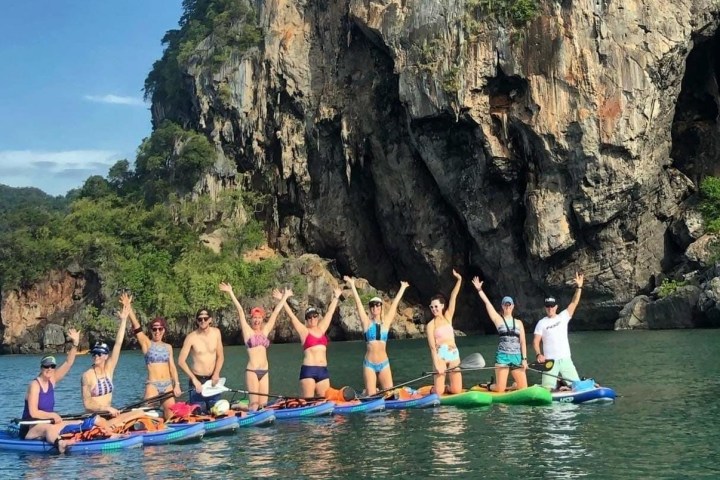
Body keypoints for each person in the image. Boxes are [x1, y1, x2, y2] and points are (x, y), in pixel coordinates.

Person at [219, 282, 293, 410]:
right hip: (252, 371)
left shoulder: (265, 332)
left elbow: (275, 313)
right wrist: (230, 292)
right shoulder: (248, 332)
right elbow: (240, 311)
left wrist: (284, 297)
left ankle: (243, 406)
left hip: (264, 371)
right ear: (251, 319)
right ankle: (238, 406)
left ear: (262, 319)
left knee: (263, 406)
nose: (257, 320)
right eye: (254, 317)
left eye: (259, 317)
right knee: (254, 406)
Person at [81, 294, 148, 426]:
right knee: (105, 422)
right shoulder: (87, 376)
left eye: (99, 354)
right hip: (96, 417)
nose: (96, 357)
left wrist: (124, 320)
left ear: (106, 356)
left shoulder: (109, 368)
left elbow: (118, 344)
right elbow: (87, 403)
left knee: (140, 413)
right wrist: (104, 409)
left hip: (109, 415)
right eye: (94, 354)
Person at [344, 276, 410, 395]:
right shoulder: (366, 323)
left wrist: (402, 288)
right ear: (370, 308)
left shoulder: (386, 323)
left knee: (390, 393)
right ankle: (367, 392)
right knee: (371, 394)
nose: (375, 308)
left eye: (377, 305)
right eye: (372, 306)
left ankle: (377, 392)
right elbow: (358, 303)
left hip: (384, 363)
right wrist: (352, 285)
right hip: (369, 364)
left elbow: (394, 305)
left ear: (381, 307)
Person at [18, 329, 81, 452]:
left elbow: (68, 363)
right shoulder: (34, 385)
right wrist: (52, 415)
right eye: (46, 366)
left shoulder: (52, 381)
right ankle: (60, 444)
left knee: (77, 422)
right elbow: (34, 413)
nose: (49, 369)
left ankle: (84, 438)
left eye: (52, 366)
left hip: (48, 423)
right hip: (30, 429)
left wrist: (75, 344)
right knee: (49, 429)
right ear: (41, 368)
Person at [126, 294, 182, 419]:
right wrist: (129, 309)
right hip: (153, 385)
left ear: (164, 330)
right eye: (154, 329)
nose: (157, 331)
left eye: (160, 329)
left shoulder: (168, 347)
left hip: (167, 385)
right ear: (151, 330)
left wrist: (176, 384)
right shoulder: (147, 343)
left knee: (171, 416)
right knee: (145, 415)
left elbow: (172, 367)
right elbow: (137, 328)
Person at [282, 287, 342, 398]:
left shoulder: (322, 328)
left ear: (318, 317)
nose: (312, 319)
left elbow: (329, 313)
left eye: (315, 316)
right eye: (309, 317)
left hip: (323, 371)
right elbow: (292, 317)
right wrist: (283, 299)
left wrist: (336, 297)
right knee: (308, 400)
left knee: (325, 400)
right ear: (306, 320)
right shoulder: (304, 331)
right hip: (309, 370)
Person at [472, 277, 528, 392]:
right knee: (500, 389)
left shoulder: (519, 323)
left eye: (509, 305)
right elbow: (487, 304)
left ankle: (514, 386)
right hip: (503, 357)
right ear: (502, 306)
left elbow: (523, 342)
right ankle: (488, 386)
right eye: (505, 305)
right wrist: (479, 290)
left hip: (516, 357)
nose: (507, 307)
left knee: (524, 388)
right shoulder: (498, 319)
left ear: (512, 306)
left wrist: (524, 359)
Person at [533, 272, 585, 390]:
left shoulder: (563, 317)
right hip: (550, 362)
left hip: (565, 359)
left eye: (552, 306)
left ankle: (563, 385)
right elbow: (536, 342)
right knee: (547, 389)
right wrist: (538, 354)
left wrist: (579, 287)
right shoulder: (541, 323)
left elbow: (574, 302)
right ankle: (558, 385)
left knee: (577, 386)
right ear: (545, 308)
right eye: (548, 306)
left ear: (556, 307)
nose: (550, 308)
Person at [178, 306, 225, 412]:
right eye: (200, 319)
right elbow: (181, 361)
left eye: (205, 318)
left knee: (216, 410)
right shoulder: (191, 337)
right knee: (199, 411)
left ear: (210, 320)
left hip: (212, 380)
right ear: (197, 321)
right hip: (197, 381)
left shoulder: (216, 333)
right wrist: (194, 379)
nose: (203, 321)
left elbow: (220, 356)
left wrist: (216, 373)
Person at [426, 269, 463, 395]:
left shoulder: (448, 317)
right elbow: (432, 347)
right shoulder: (430, 325)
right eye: (431, 307)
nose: (434, 309)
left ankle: (448, 388)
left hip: (454, 355)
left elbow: (453, 297)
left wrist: (459, 280)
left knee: (456, 390)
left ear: (442, 306)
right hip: (440, 356)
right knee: (439, 392)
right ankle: (433, 389)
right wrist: (437, 364)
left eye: (436, 306)